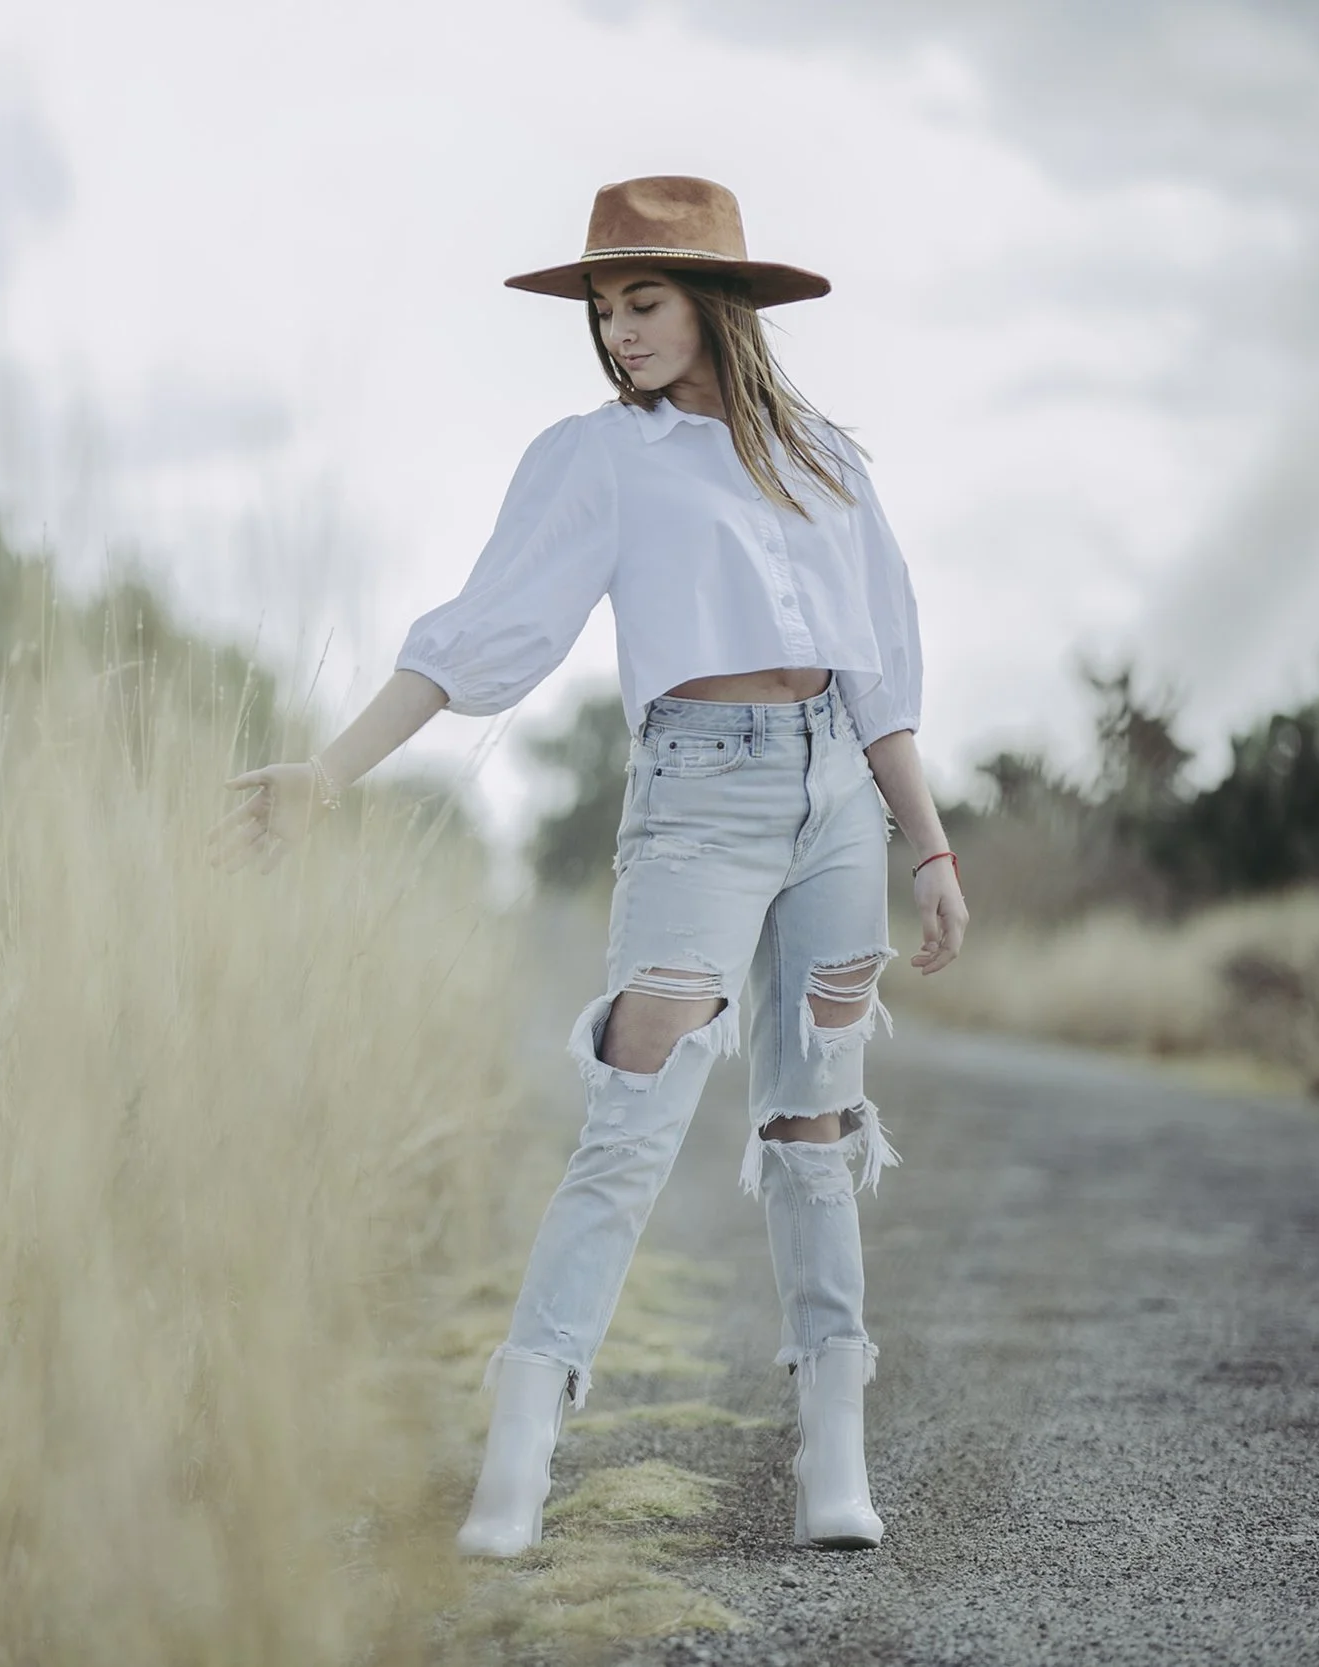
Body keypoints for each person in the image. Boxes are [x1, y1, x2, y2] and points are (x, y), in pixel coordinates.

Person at [206, 175, 972, 1556]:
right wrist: (328, 773)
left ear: (716, 305)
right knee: (634, 1112)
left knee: (815, 1123)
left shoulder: (826, 461)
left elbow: (879, 673)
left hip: (839, 805)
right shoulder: (600, 458)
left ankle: (833, 1456)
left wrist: (929, 845)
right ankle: (519, 1455)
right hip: (700, 793)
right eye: (606, 310)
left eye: (644, 302)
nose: (619, 332)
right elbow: (482, 631)